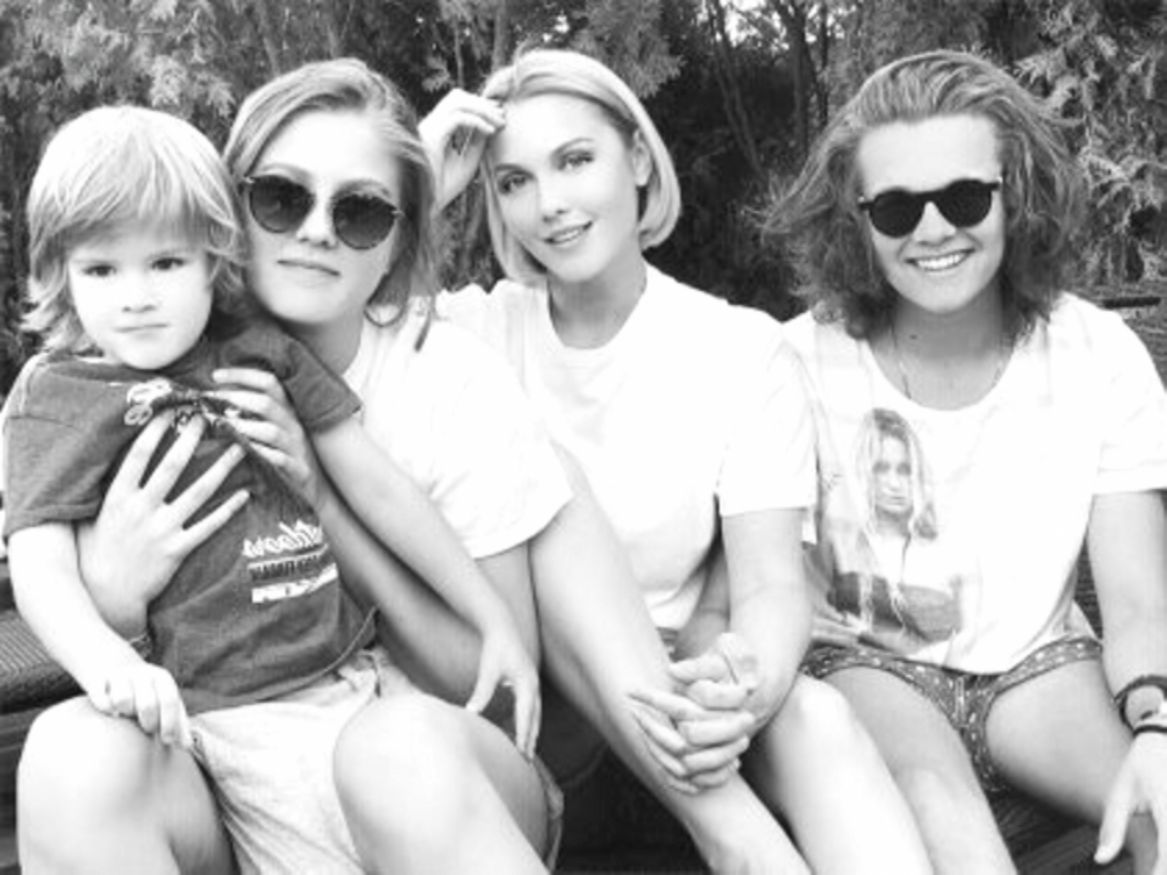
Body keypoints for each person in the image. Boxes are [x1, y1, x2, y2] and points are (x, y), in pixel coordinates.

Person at [15, 68, 570, 874]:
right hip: (207, 735)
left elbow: (373, 480)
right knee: (69, 751)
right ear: (60, 274)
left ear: (212, 256)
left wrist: (490, 618)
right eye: (102, 271)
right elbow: (39, 561)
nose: (135, 296)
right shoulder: (58, 397)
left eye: (165, 263)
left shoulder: (258, 351)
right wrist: (110, 654)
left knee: (395, 748)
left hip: (362, 706)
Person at [424, 47, 930, 873]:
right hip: (542, 721)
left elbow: (769, 586)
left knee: (818, 718)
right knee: (546, 481)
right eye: (513, 181)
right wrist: (417, 181)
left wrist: (741, 690)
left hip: (689, 699)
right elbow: (338, 326)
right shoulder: (470, 335)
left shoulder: (739, 349)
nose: (549, 204)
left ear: (636, 157)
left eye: (574, 160)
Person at [775, 49, 1167, 873]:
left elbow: (1135, 601)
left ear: (1013, 192)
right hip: (867, 661)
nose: (931, 230)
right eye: (894, 209)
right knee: (946, 824)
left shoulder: (1096, 354)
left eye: (962, 198)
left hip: (1039, 667)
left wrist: (1155, 726)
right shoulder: (796, 364)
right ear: (854, 219)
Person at [819, 406, 971, 661]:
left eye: (905, 470)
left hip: (943, 674)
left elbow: (970, 643)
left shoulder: (947, 552)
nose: (894, 484)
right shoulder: (843, 545)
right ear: (865, 473)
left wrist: (869, 634)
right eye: (881, 469)